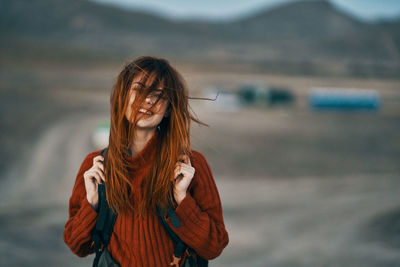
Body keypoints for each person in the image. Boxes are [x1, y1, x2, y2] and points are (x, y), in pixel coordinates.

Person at [63, 56, 229, 266]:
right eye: (140, 89)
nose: (149, 100)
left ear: (169, 108)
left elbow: (214, 247)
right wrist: (92, 203)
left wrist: (182, 200)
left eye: (159, 95)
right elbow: (77, 246)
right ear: (123, 97)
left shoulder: (191, 165)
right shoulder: (96, 165)